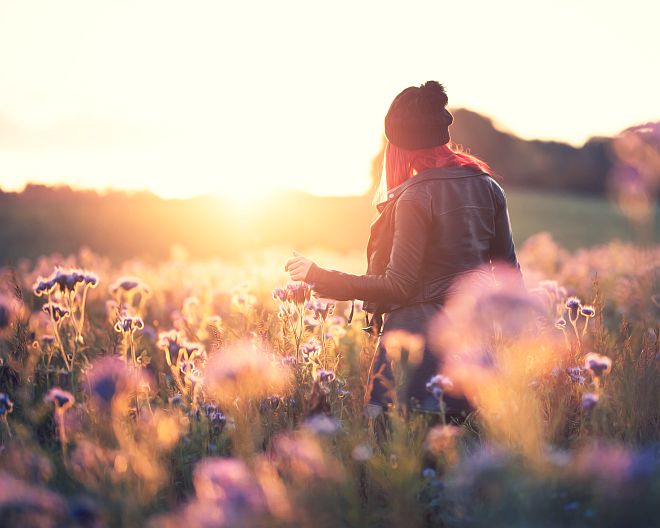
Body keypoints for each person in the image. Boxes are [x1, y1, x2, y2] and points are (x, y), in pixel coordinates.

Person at [285, 81, 521, 420]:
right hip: (472, 350)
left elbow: (398, 286)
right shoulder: (488, 186)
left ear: (399, 143)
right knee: (462, 455)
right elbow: (510, 277)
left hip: (413, 351)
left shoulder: (413, 197)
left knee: (397, 456)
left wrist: (318, 275)